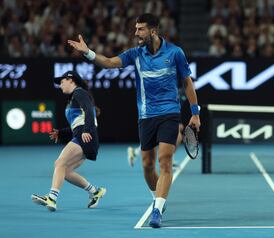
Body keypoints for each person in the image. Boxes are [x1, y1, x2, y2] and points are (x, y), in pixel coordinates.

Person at [68, 13, 201, 228]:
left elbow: (187, 83)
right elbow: (110, 63)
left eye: (140, 29)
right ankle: (157, 198)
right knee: (147, 165)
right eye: (136, 28)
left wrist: (195, 113)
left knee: (165, 161)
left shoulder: (175, 53)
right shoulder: (135, 54)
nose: (136, 33)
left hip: (169, 113)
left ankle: (157, 209)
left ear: (153, 31)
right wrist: (88, 53)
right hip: (146, 116)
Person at [31, 71, 106, 212]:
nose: (60, 86)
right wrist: (61, 133)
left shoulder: (79, 93)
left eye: (61, 82)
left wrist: (86, 130)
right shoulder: (73, 99)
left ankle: (51, 198)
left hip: (86, 137)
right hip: (84, 137)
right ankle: (95, 192)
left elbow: (90, 111)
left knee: (59, 163)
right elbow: (76, 124)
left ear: (70, 80)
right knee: (65, 170)